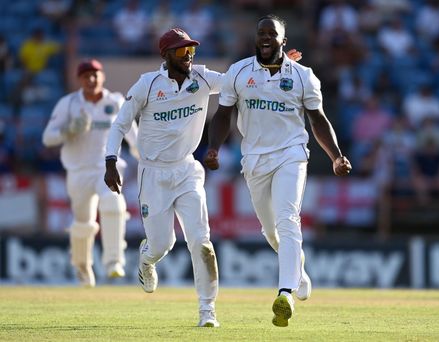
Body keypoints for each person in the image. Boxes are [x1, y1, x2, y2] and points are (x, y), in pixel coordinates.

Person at [104, 28, 302, 328]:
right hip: (153, 173)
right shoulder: (147, 84)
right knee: (162, 245)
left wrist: (275, 64)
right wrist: (110, 161)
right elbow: (119, 124)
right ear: (166, 55)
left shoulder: (203, 77)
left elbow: (240, 82)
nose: (189, 57)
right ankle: (146, 258)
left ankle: (207, 310)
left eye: (192, 51)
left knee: (201, 242)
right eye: (182, 52)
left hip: (187, 171)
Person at [203, 15, 352, 327]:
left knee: (288, 220)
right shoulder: (239, 72)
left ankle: (285, 293)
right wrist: (214, 147)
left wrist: (336, 156)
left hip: (291, 154)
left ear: (284, 40)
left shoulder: (303, 75)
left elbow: (318, 120)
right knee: (271, 232)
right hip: (254, 159)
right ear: (256, 38)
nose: (266, 37)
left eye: (273, 33)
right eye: (261, 33)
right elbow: (223, 114)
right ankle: (298, 269)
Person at [42, 59, 138, 287]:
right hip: (78, 172)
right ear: (80, 80)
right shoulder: (69, 104)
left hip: (107, 170)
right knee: (83, 223)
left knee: (114, 205)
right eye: (86, 76)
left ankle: (114, 261)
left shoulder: (115, 102)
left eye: (95, 75)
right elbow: (48, 138)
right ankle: (82, 266)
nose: (91, 80)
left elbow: (134, 138)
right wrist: (68, 130)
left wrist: (147, 161)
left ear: (102, 77)